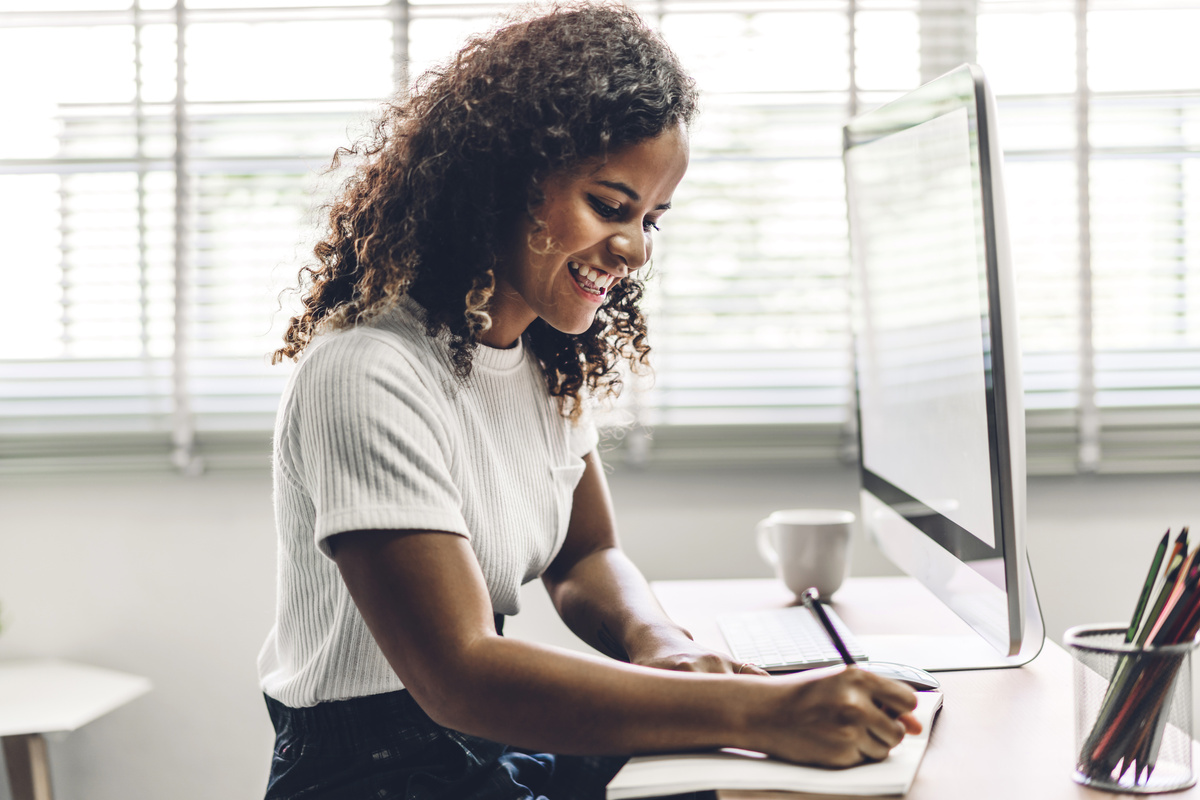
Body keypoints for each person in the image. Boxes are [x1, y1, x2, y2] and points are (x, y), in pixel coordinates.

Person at [258, 4, 922, 798]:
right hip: (377, 772)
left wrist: (662, 646)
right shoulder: (367, 372)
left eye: (651, 218)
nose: (637, 247)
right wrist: (752, 710)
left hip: (479, 743)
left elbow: (585, 558)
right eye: (611, 207)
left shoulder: (540, 358)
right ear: (501, 182)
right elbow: (458, 675)